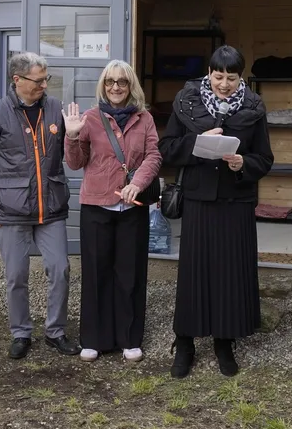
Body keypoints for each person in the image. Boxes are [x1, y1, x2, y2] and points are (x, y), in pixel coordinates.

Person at [159, 46, 274, 378]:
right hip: (198, 199)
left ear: (242, 78)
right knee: (194, 272)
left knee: (230, 273)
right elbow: (166, 149)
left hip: (236, 202)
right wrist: (198, 143)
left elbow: (264, 159)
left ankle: (224, 341)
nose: (224, 84)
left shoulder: (253, 106)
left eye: (232, 78)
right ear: (208, 73)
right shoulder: (186, 101)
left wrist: (242, 163)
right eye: (218, 76)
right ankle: (184, 342)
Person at [0, 52, 81, 359]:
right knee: (16, 275)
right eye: (38, 80)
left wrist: (74, 135)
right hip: (13, 211)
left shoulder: (54, 109)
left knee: (60, 269)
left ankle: (55, 331)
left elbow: (66, 153)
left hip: (51, 207)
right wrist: (8, 193)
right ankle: (21, 332)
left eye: (46, 79)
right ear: (17, 80)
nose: (44, 86)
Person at [64, 60, 161, 362]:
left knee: (129, 273)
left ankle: (129, 338)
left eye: (121, 81)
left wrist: (140, 183)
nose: (116, 87)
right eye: (110, 82)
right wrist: (71, 135)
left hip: (132, 206)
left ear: (131, 85)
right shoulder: (91, 118)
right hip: (97, 205)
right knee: (97, 273)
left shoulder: (144, 119)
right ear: (103, 86)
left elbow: (153, 156)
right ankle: (94, 338)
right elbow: (76, 162)